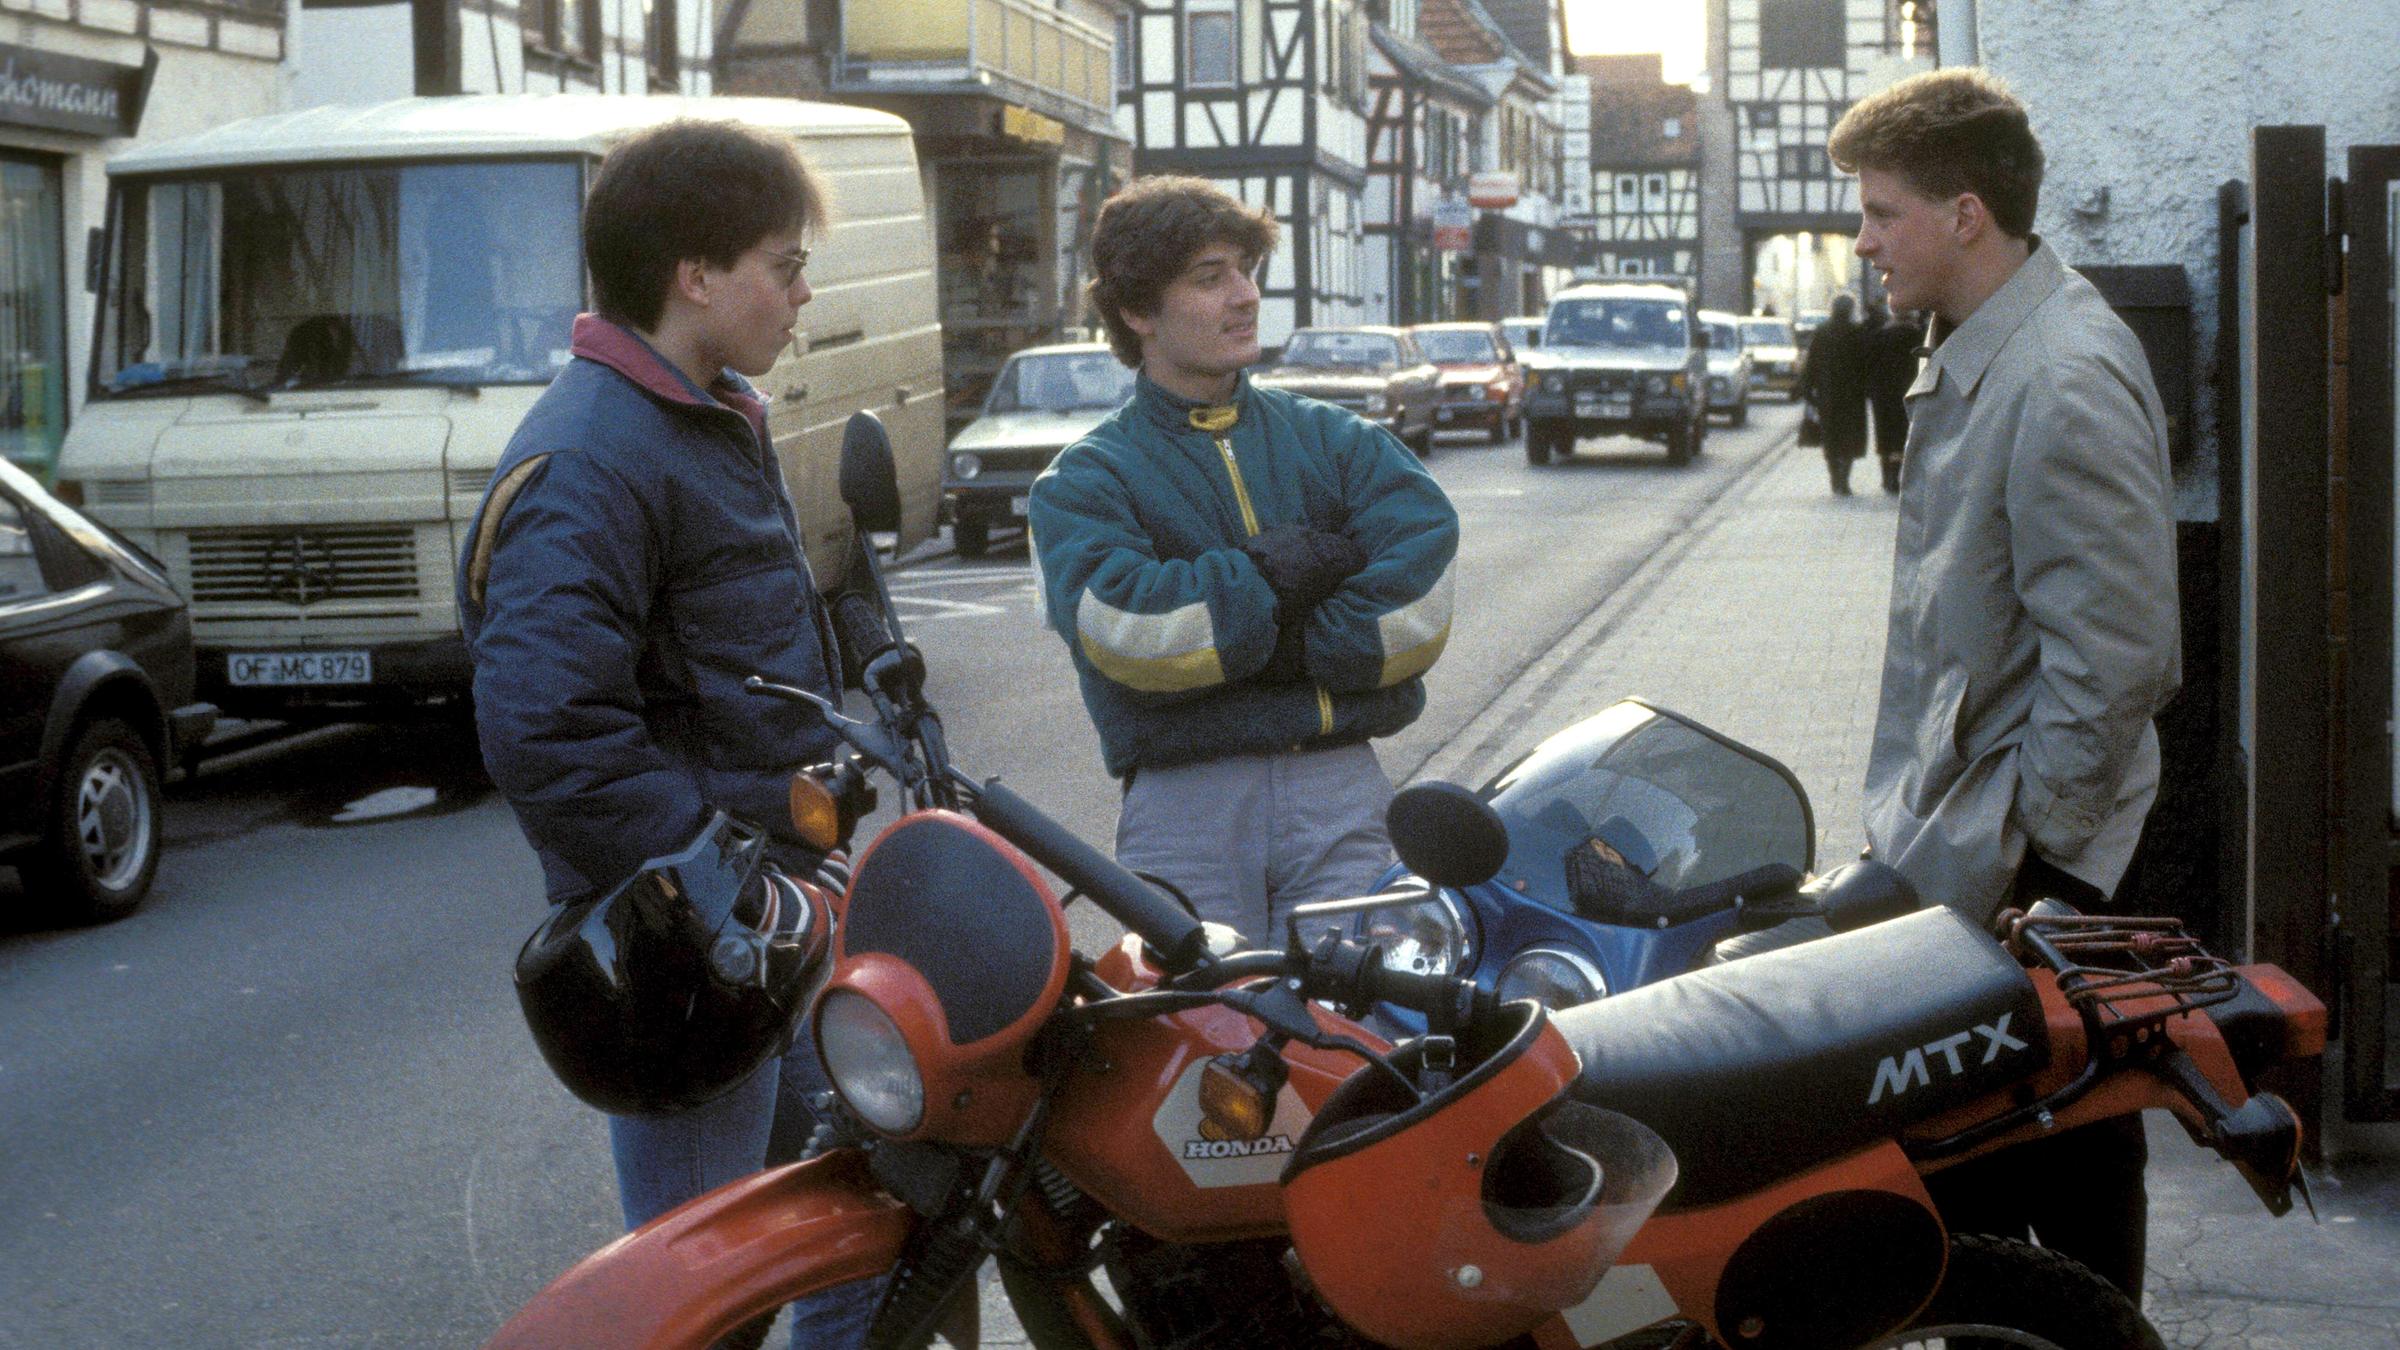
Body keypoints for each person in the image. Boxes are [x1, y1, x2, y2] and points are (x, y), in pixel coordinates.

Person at [457, 119, 877, 1348]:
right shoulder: (591, 454)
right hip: (692, 956)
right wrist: (720, 884)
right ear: (694, 274)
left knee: (852, 1215)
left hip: (772, 924)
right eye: (783, 266)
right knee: (704, 1298)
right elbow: (547, 726)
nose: (802, 295)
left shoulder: (699, 417)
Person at [1836, 68, 2181, 1297]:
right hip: (1977, 826)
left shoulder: (2059, 373)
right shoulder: (1985, 345)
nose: (1864, 239)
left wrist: (2044, 870)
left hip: (2038, 849)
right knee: (1997, 1133)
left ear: (1967, 213)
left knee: (2065, 1127)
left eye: (1882, 212)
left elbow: (2120, 655)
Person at [1026, 175, 1460, 946]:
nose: (1246, 295)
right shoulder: (1086, 480)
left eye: (1247, 271)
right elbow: (1129, 631)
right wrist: (1268, 577)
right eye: (1209, 276)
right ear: (1136, 310)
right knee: (1203, 1041)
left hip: (1342, 791)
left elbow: (1419, 597)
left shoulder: (1339, 440)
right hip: (1183, 808)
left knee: (1361, 1037)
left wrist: (1266, 638)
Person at [1799, 294, 1870, 494]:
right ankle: (1844, 480)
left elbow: (1811, 363)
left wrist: (1808, 390)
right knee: (1849, 437)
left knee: (1831, 437)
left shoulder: (1822, 332)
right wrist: (1867, 389)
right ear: (1850, 310)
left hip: (1827, 394)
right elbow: (1866, 364)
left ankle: (1835, 478)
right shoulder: (1857, 332)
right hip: (1852, 396)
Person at [1865, 302, 1922, 493]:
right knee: (1904, 435)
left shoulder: (1881, 335)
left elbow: (1870, 365)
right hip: (1910, 392)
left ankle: (1887, 478)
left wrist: (1871, 390)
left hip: (1883, 395)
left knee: (1885, 436)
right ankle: (1898, 477)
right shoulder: (1918, 336)